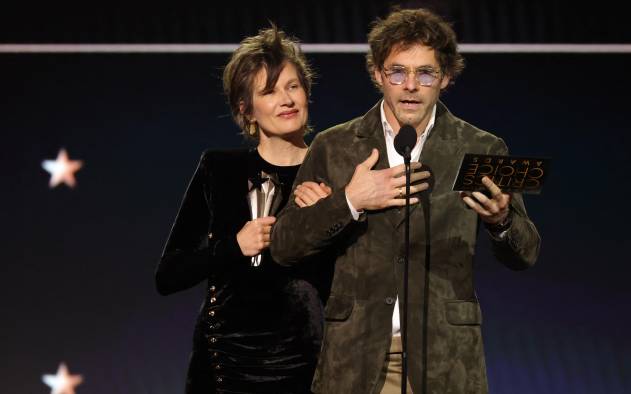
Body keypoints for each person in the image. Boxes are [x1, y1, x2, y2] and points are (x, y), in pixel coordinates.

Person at [271, 8, 541, 394]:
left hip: (444, 360)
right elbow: (284, 246)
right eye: (397, 71)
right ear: (378, 74)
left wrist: (501, 222)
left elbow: (526, 253)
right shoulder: (335, 147)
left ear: (445, 77)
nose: (410, 85)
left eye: (425, 73)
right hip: (356, 359)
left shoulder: (480, 148)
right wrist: (349, 200)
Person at [155, 27, 331, 393]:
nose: (287, 99)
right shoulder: (218, 169)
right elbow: (169, 275)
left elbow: (351, 286)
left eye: (293, 86)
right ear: (245, 109)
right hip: (224, 370)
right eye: (269, 91)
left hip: (306, 370)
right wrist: (234, 246)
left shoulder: (332, 173)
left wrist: (328, 221)